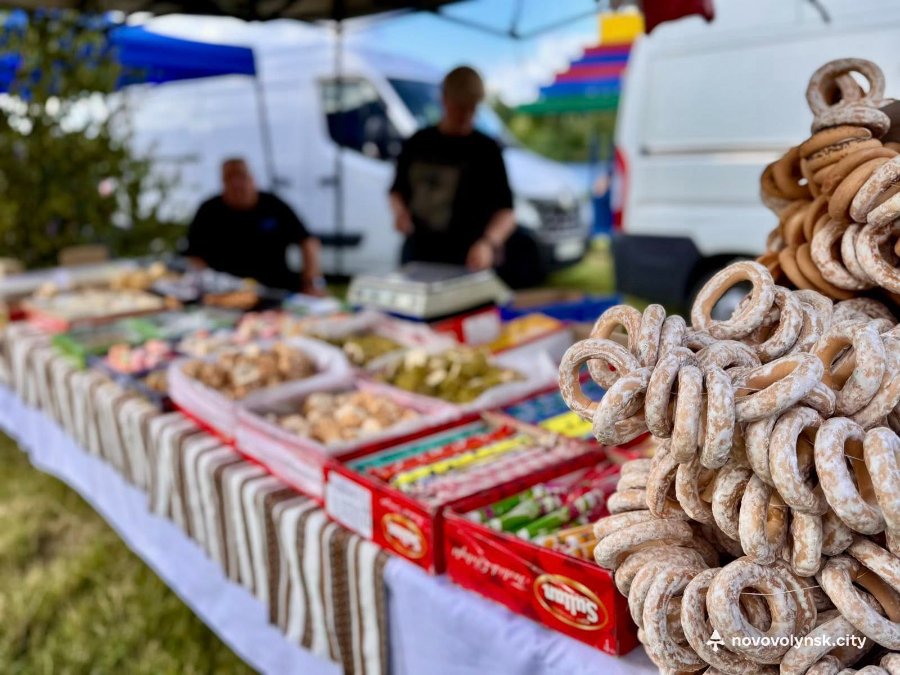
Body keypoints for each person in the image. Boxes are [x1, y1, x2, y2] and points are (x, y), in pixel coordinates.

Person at [389, 66, 543, 288]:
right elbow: (396, 191)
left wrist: (488, 244)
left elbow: (506, 212)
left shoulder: (487, 150)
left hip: (470, 260)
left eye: (472, 108)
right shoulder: (418, 143)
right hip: (419, 256)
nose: (466, 115)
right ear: (444, 99)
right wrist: (400, 213)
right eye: (460, 107)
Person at [186, 158, 325, 294]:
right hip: (225, 291)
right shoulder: (208, 210)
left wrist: (312, 281)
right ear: (223, 182)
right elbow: (194, 256)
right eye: (229, 178)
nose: (236, 183)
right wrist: (205, 286)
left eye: (241, 176)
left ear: (252, 178)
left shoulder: (274, 205)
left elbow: (308, 242)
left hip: (275, 288)